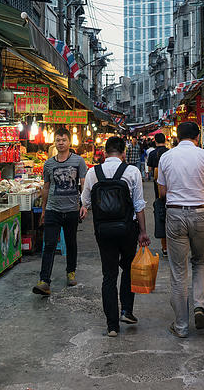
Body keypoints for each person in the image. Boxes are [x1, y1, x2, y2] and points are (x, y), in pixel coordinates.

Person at [156, 121, 204, 338]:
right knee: (201, 261)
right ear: (197, 137)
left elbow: (162, 191)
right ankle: (199, 307)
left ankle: (181, 326)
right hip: (201, 212)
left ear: (177, 137)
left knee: (178, 270)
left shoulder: (166, 157)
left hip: (175, 214)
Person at [80, 136, 149, 337]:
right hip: (127, 230)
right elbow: (139, 205)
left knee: (109, 275)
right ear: (123, 153)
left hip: (103, 231)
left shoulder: (93, 173)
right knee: (128, 268)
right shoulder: (132, 171)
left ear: (104, 152)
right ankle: (126, 310)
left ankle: (112, 325)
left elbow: (85, 201)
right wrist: (143, 232)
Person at [33, 127, 88, 296]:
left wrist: (84, 204)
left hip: (72, 209)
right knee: (49, 245)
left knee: (71, 243)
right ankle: (44, 281)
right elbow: (46, 187)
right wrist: (43, 209)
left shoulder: (78, 161)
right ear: (54, 142)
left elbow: (83, 184)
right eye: (58, 140)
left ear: (69, 142)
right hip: (53, 210)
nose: (61, 143)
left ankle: (71, 272)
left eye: (64, 140)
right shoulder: (48, 164)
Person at [146, 133, 171, 256]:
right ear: (165, 140)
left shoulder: (151, 154)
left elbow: (150, 169)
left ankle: (165, 247)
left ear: (155, 141)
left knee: (161, 217)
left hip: (159, 190)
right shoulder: (170, 153)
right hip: (172, 189)